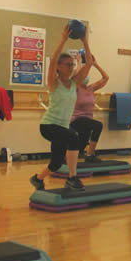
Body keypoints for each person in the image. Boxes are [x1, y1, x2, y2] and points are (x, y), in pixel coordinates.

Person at [30, 25, 93, 191]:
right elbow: (53, 58)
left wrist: (85, 41)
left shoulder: (74, 83)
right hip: (49, 126)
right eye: (67, 65)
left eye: (72, 65)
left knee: (56, 163)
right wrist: (63, 39)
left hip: (62, 128)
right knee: (74, 137)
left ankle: (37, 179)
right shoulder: (54, 82)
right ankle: (72, 178)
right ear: (58, 67)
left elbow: (89, 63)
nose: (71, 68)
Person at [70, 54, 109, 163]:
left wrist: (95, 64)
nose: (85, 77)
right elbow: (74, 78)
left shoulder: (91, 88)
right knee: (98, 125)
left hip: (87, 121)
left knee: (81, 146)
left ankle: (71, 156)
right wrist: (79, 62)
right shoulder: (75, 88)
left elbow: (106, 78)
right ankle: (90, 155)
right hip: (76, 120)